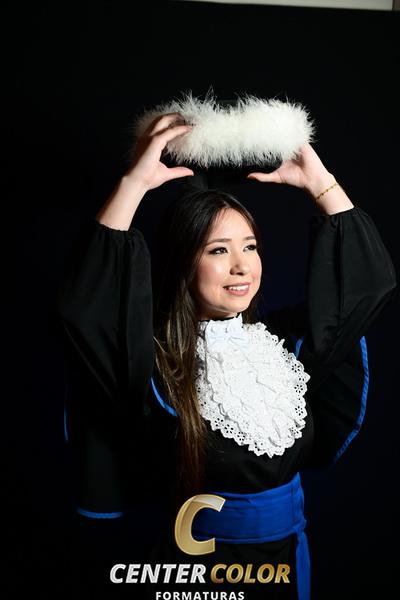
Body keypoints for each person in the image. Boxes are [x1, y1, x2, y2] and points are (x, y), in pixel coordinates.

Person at [57, 113, 397, 599]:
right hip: (201, 569)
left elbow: (366, 287)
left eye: (250, 246)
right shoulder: (159, 367)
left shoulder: (283, 349)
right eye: (218, 250)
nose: (242, 266)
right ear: (183, 264)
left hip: (287, 565)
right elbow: (86, 309)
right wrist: (133, 185)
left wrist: (318, 180)